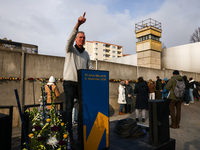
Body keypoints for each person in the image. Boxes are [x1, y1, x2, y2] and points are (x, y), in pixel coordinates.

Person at [62, 12, 93, 143]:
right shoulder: (70, 49)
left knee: (82, 110)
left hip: (81, 84)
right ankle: (68, 134)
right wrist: (78, 24)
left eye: (83, 38)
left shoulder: (86, 54)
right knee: (69, 109)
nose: (82, 39)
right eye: (80, 37)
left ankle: (81, 133)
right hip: (69, 83)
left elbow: (90, 69)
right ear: (76, 39)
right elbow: (69, 39)